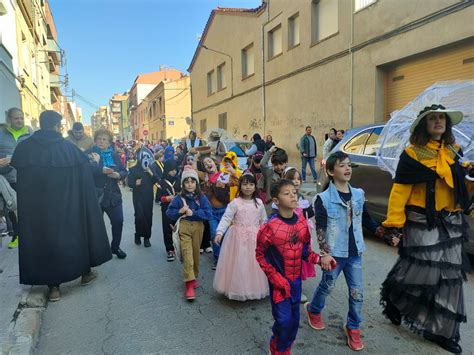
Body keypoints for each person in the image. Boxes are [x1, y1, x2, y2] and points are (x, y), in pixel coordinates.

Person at [380, 104, 470, 354]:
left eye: (442, 118)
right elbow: (400, 191)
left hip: (451, 220)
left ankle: (443, 330)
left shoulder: (455, 151)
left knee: (450, 277)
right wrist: (394, 225)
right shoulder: (412, 154)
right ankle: (396, 298)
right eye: (433, 118)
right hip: (422, 219)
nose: (438, 121)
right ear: (424, 124)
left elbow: (458, 187)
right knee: (424, 272)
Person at [10, 110, 112, 302]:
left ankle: (53, 288)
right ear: (57, 126)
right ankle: (84, 273)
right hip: (68, 208)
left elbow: (20, 181)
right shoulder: (69, 149)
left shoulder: (24, 149)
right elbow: (84, 182)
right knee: (75, 237)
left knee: (44, 241)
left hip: (37, 212)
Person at [304, 151, 385, 351]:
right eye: (342, 165)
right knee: (327, 286)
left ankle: (353, 327)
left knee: (357, 293)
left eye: (349, 165)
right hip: (334, 253)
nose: (347, 168)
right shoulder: (322, 198)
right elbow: (321, 227)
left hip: (354, 253)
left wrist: (381, 231)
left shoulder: (358, 194)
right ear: (331, 171)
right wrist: (324, 253)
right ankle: (314, 309)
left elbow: (365, 219)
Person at [256, 179, 322, 355]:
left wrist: (320, 259)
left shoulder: (301, 222)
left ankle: (285, 347)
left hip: (296, 282)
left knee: (293, 322)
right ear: (276, 201)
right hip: (279, 284)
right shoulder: (269, 227)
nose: (293, 195)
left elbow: (306, 251)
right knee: (283, 321)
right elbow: (260, 255)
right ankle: (276, 347)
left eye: (294, 191)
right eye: (287, 193)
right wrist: (275, 277)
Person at [213, 172, 268, 301]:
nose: (247, 187)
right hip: (236, 238)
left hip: (254, 238)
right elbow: (226, 218)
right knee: (238, 264)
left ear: (255, 186)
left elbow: (264, 221)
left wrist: (266, 236)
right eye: (244, 184)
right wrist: (220, 232)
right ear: (240, 186)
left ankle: (252, 289)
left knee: (253, 264)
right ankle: (237, 288)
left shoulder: (259, 203)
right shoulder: (235, 203)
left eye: (251, 184)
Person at [166, 166, 212, 301]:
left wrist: (194, 213)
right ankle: (189, 284)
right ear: (183, 184)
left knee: (195, 255)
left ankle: (193, 276)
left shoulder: (202, 197)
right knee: (187, 255)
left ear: (197, 183)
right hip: (184, 228)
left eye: (193, 181)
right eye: (187, 182)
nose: (190, 184)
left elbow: (208, 213)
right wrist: (180, 211)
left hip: (198, 228)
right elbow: (169, 212)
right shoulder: (179, 198)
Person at [87, 129, 128, 259]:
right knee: (96, 225)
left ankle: (115, 247)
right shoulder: (89, 154)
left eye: (104, 139)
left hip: (113, 195)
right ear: (95, 140)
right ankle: (98, 251)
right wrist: (101, 170)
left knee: (118, 221)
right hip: (96, 195)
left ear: (109, 142)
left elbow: (124, 171)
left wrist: (118, 175)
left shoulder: (114, 155)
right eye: (99, 138)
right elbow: (86, 170)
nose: (101, 141)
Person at [193, 153, 236, 269]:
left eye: (209, 161)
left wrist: (233, 172)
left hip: (224, 211)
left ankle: (226, 257)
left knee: (225, 235)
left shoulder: (224, 175)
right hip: (211, 212)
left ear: (214, 162)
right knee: (214, 234)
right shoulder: (205, 176)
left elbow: (238, 182)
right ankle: (218, 258)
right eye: (205, 164)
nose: (208, 164)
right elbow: (194, 169)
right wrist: (197, 156)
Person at [0, 108, 32, 249]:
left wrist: (13, 159)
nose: (19, 121)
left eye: (21, 118)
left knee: (28, 207)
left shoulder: (30, 134)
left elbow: (35, 154)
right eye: (16, 118)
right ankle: (16, 234)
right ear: (9, 120)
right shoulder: (1, 135)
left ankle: (30, 234)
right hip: (8, 178)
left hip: (27, 177)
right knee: (12, 207)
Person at [282, 167, 315, 303]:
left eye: (298, 178)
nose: (296, 181)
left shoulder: (302, 198)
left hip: (302, 237)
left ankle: (297, 290)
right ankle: (285, 287)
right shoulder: (282, 198)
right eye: (292, 178)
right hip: (287, 236)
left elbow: (310, 214)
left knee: (300, 263)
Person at [127, 147, 160, 248]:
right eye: (143, 156)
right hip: (138, 196)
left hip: (148, 196)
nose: (145, 158)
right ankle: (137, 235)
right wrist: (134, 183)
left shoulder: (151, 168)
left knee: (148, 216)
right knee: (139, 216)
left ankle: (147, 238)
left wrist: (149, 171)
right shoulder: (133, 168)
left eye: (147, 156)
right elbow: (129, 182)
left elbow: (157, 180)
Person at [156, 159, 180, 261]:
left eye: (175, 169)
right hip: (166, 209)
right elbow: (157, 198)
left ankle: (179, 248)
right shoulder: (161, 182)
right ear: (166, 170)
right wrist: (167, 199)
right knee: (167, 229)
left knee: (179, 228)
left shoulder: (179, 180)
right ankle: (170, 250)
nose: (173, 172)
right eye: (171, 170)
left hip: (179, 209)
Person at [261, 145, 288, 214]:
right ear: (272, 164)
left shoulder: (289, 174)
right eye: (276, 164)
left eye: (281, 164)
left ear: (286, 163)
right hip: (271, 206)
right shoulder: (269, 173)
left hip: (285, 205)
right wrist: (270, 152)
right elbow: (262, 164)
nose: (278, 167)